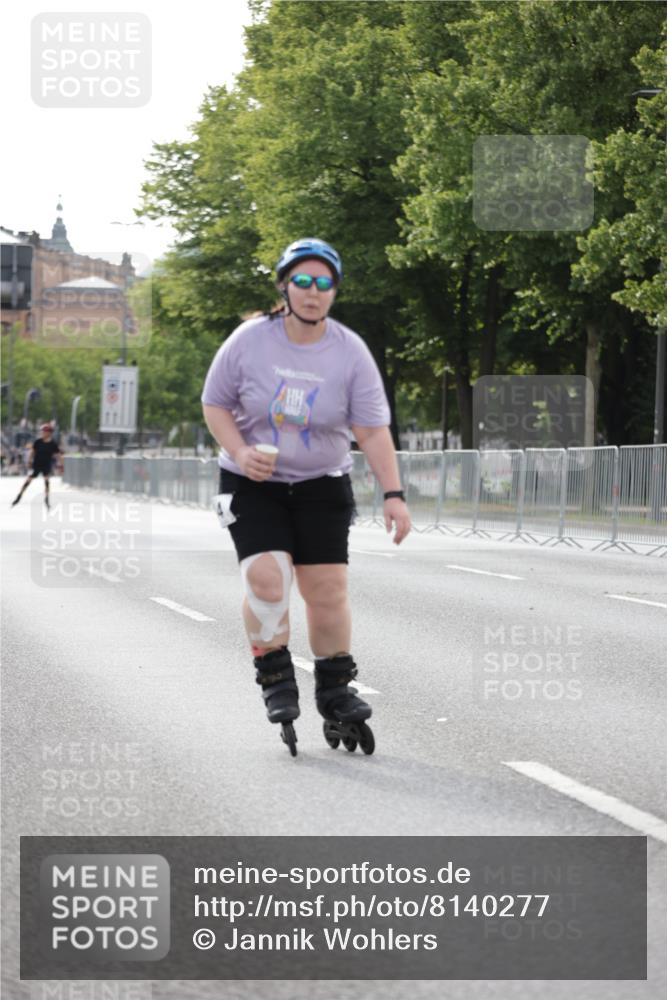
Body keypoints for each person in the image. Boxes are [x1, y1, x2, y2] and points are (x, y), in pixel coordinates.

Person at [201, 237, 411, 757]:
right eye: (303, 281)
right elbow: (215, 404)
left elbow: (374, 429)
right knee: (267, 578)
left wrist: (394, 494)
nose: (314, 292)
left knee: (327, 590)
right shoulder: (249, 341)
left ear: (335, 292)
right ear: (285, 286)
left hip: (321, 484)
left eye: (324, 283)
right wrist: (240, 450)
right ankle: (274, 672)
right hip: (253, 483)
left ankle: (337, 690)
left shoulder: (349, 351)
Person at [11, 423, 63, 509]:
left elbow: (58, 454)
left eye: (44, 431)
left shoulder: (53, 444)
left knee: (47, 481)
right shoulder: (38, 442)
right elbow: (32, 452)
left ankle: (46, 499)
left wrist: (61, 465)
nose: (43, 433)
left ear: (49, 433)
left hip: (46, 465)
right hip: (37, 464)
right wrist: (29, 460)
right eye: (42, 431)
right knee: (28, 480)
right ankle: (19, 496)